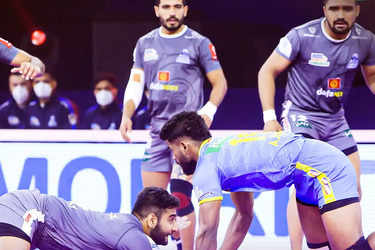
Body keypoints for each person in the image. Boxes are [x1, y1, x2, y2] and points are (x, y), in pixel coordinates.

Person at [160, 111, 375, 250]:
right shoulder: (224, 154)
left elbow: (207, 231)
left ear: (184, 146)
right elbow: (243, 215)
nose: (174, 160)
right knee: (319, 248)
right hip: (305, 178)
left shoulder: (206, 167)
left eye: (172, 150)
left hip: (324, 168)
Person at [257, 0, 375, 249]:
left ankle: (349, 244)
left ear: (357, 10)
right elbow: (266, 71)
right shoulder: (301, 35)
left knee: (353, 186)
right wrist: (269, 118)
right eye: (334, 9)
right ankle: (297, 247)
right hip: (301, 115)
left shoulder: (366, 40)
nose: (340, 14)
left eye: (347, 8)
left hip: (335, 119)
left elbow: (372, 78)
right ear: (324, 10)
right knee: (306, 185)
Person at [119, 0, 228, 249]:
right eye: (166, 7)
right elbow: (136, 83)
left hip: (187, 137)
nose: (172, 12)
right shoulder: (144, 43)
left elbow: (220, 83)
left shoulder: (199, 42)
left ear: (185, 10)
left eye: (177, 6)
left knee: (180, 199)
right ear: (157, 10)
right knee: (150, 204)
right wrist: (127, 114)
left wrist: (208, 112)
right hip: (157, 131)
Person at [0, 186, 179, 250]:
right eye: (171, 219)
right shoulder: (134, 236)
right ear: (152, 220)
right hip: (26, 209)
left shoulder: (121, 229)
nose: (175, 228)